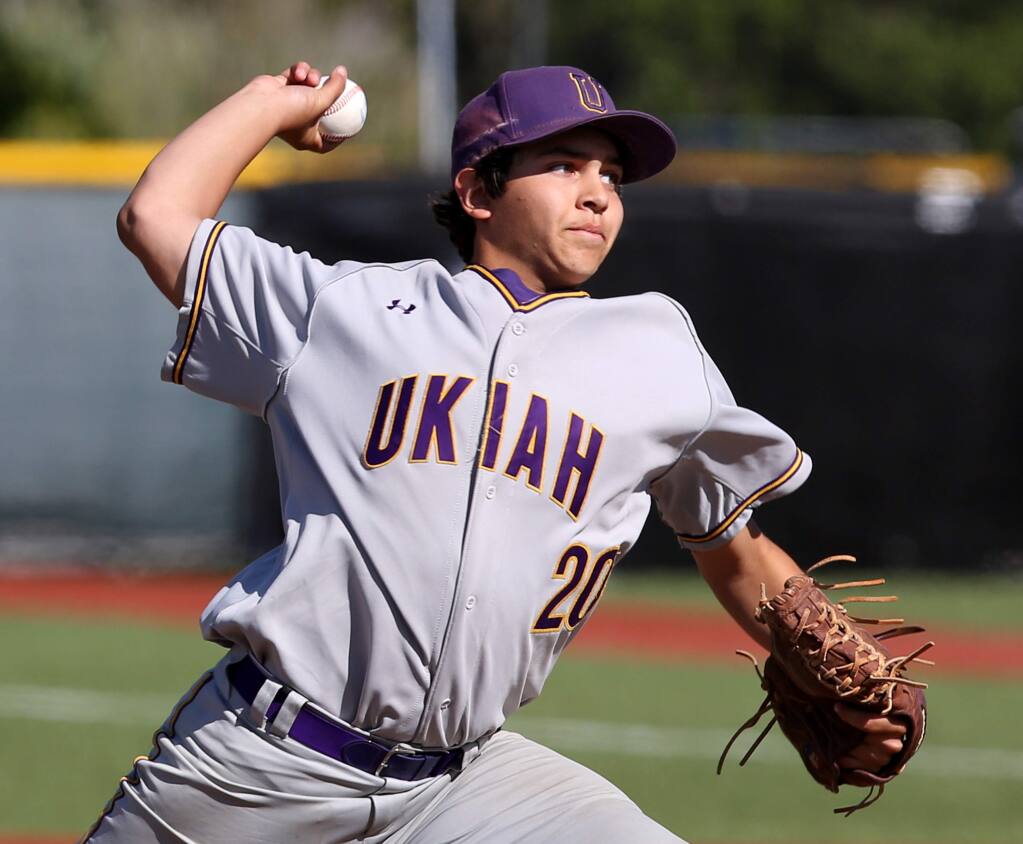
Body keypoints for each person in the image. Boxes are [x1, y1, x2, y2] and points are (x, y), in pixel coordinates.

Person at [87, 62, 908, 843]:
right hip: (266, 764)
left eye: (612, 178)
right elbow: (155, 217)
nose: (597, 193)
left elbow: (733, 549)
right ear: (478, 191)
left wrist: (847, 671)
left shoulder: (658, 352)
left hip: (464, 784)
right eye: (563, 165)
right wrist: (273, 103)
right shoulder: (346, 310)